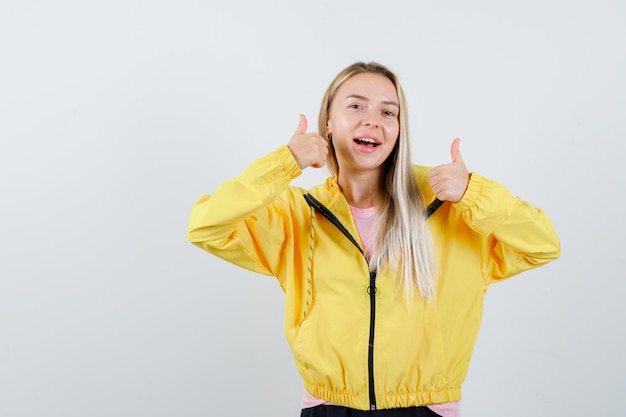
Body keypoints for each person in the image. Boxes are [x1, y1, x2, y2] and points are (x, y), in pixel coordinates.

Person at [187, 62, 560, 416]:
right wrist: (284, 163)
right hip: (327, 407)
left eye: (388, 112)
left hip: (427, 408)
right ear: (328, 122)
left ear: (399, 129)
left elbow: (543, 243)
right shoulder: (297, 214)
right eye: (356, 106)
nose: (372, 120)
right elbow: (205, 225)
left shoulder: (450, 208)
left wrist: (474, 194)